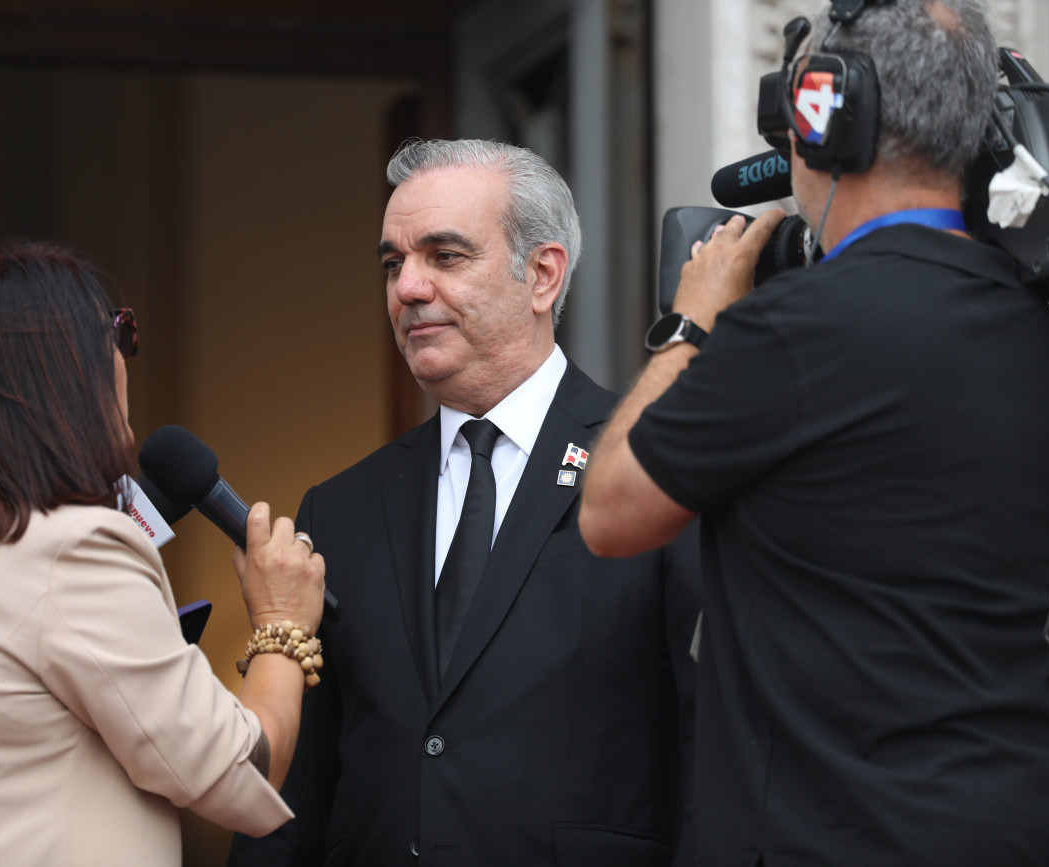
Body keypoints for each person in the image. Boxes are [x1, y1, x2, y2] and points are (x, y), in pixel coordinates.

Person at [579, 1, 1049, 864]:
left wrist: (693, 323)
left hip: (828, 834)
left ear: (828, 116)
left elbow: (611, 511)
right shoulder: (1040, 336)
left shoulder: (794, 330)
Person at [229, 139, 700, 867]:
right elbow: (291, 798)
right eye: (393, 263)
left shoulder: (648, 467)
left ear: (542, 275)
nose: (408, 288)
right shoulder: (341, 509)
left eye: (444, 256)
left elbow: (717, 745)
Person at [0, 241, 327, 867]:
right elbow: (239, 770)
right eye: (119, 332)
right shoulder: (71, 548)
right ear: (67, 368)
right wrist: (282, 625)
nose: (125, 355)